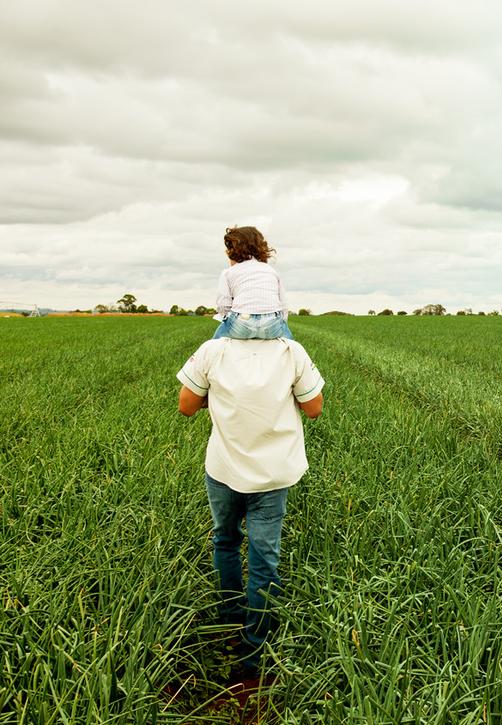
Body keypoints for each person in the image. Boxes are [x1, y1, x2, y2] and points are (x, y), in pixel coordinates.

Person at [176, 334, 324, 674]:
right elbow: (314, 408)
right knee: (264, 558)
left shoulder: (213, 350)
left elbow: (186, 405)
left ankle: (230, 619)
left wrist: (214, 397)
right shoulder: (292, 352)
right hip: (273, 475)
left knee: (225, 540)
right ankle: (255, 649)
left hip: (224, 469)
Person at [213, 226, 293, 340]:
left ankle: (206, 356)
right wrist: (281, 323)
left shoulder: (228, 272)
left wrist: (228, 318)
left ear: (234, 251)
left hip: (241, 323)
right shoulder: (271, 270)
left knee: (215, 343)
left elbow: (223, 305)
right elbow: (283, 305)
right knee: (292, 344)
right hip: (272, 323)